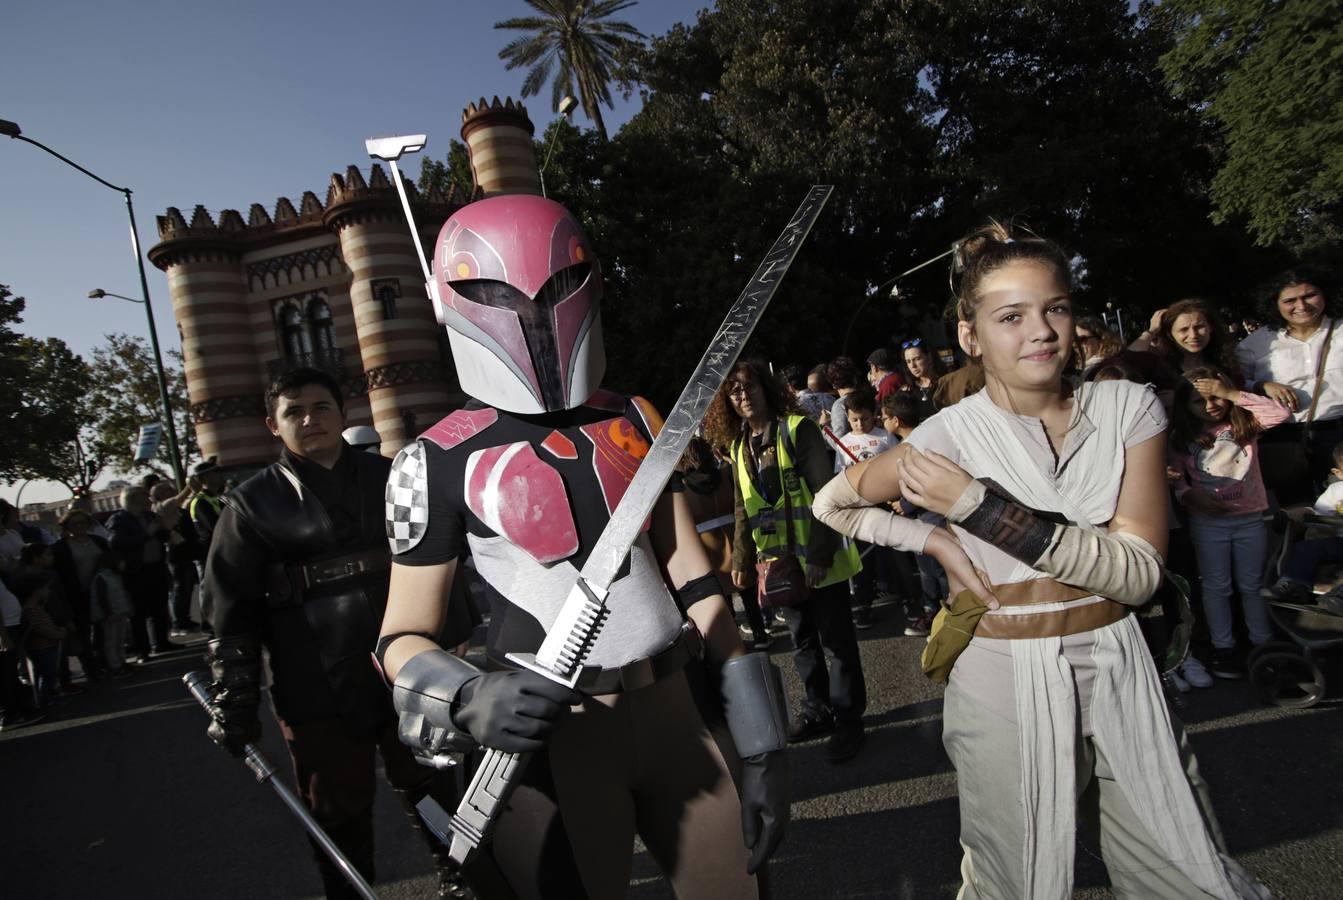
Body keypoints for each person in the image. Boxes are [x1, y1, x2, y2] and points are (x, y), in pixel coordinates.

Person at [813, 221, 1267, 898]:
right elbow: (832, 504)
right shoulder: (946, 434)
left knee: (1186, 871)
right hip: (999, 675)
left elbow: (1138, 572)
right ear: (970, 335)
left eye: (1054, 308)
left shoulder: (1125, 407)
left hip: (1120, 663)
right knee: (1016, 881)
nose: (1041, 331)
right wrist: (932, 540)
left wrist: (974, 509)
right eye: (1010, 316)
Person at [375, 195, 790, 899]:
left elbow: (690, 570)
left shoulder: (633, 415)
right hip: (553, 736)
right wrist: (469, 695)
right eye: (493, 293)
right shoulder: (430, 460)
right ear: (447, 297)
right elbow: (399, 637)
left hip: (674, 710)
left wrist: (759, 737)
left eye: (558, 287)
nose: (533, 315)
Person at [200, 367, 462, 899]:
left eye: (321, 407)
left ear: (344, 413)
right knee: (335, 808)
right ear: (273, 426)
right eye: (293, 411)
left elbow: (441, 562)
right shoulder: (249, 504)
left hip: (408, 664)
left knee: (436, 789)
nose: (309, 419)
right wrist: (235, 696)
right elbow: (230, 609)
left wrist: (453, 649)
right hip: (313, 679)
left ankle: (461, 877)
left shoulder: (394, 477)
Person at [707, 357, 867, 764]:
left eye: (748, 386)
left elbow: (828, 496)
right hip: (779, 567)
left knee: (837, 645)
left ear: (766, 388)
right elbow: (744, 509)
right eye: (734, 390)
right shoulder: (739, 446)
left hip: (821, 561)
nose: (742, 395)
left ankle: (849, 721)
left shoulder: (799, 430)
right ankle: (818, 710)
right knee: (803, 643)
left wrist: (817, 555)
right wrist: (741, 559)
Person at [1168, 368, 1290, 679]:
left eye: (1216, 397)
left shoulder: (1244, 425)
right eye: (1199, 401)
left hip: (1249, 518)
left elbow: (1279, 412)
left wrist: (1232, 393)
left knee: (1252, 585)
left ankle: (1262, 643)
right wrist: (1189, 496)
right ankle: (1224, 647)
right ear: (1186, 406)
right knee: (1216, 586)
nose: (1210, 405)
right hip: (1208, 523)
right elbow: (1176, 480)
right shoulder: (1182, 438)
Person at [1236, 266, 1343, 503]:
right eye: (1290, 300)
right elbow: (1236, 386)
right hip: (1284, 438)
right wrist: (1262, 386)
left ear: (1325, 294)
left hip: (1338, 433)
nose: (1301, 306)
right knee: (1295, 511)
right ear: (1275, 303)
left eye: (1309, 296)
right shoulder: (1256, 343)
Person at [834, 388, 894, 631]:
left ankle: (900, 594)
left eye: (864, 418)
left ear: (874, 415)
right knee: (861, 560)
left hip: (884, 503)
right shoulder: (844, 443)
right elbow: (839, 474)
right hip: (856, 507)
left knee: (889, 553)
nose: (859, 424)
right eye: (853, 420)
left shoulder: (885, 437)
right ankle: (863, 605)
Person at [1262, 442, 1343, 604]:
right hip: (1340, 541)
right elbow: (1317, 515)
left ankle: (1339, 597)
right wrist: (1297, 514)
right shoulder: (1336, 491)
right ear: (1339, 473)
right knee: (1305, 548)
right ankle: (1294, 584)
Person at [106, 485, 178, 662]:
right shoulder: (119, 519)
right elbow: (117, 542)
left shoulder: (150, 516)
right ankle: (142, 650)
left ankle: (161, 641)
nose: (148, 498)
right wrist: (147, 534)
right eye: (143, 496)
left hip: (156, 566)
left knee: (159, 607)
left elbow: (162, 536)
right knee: (138, 612)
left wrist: (166, 529)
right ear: (133, 499)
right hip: (136, 571)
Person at [52, 509, 109, 680]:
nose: (79, 527)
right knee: (82, 633)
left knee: (103, 630)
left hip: (100, 592)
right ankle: (90, 669)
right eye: (74, 524)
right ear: (66, 526)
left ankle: (105, 662)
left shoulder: (98, 541)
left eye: (82, 523)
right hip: (76, 595)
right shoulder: (60, 548)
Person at [189, 458, 227, 636]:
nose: (220, 476)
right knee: (207, 587)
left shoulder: (216, 498)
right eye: (215, 473)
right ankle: (207, 623)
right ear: (206, 477)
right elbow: (214, 526)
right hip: (206, 551)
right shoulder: (201, 501)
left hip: (219, 549)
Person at [90, 550, 134, 678]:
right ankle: (114, 666)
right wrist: (108, 613)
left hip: (120, 612)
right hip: (110, 615)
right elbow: (102, 598)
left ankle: (121, 661)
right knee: (110, 641)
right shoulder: (102, 577)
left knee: (120, 639)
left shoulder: (116, 576)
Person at [900, 338, 945, 421]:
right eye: (908, 361)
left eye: (917, 359)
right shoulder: (908, 391)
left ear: (929, 357)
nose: (913, 366)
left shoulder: (945, 383)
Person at [826, 356, 861, 441]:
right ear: (855, 378)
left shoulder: (839, 405)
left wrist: (824, 428)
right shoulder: (870, 397)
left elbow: (840, 443)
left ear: (833, 384)